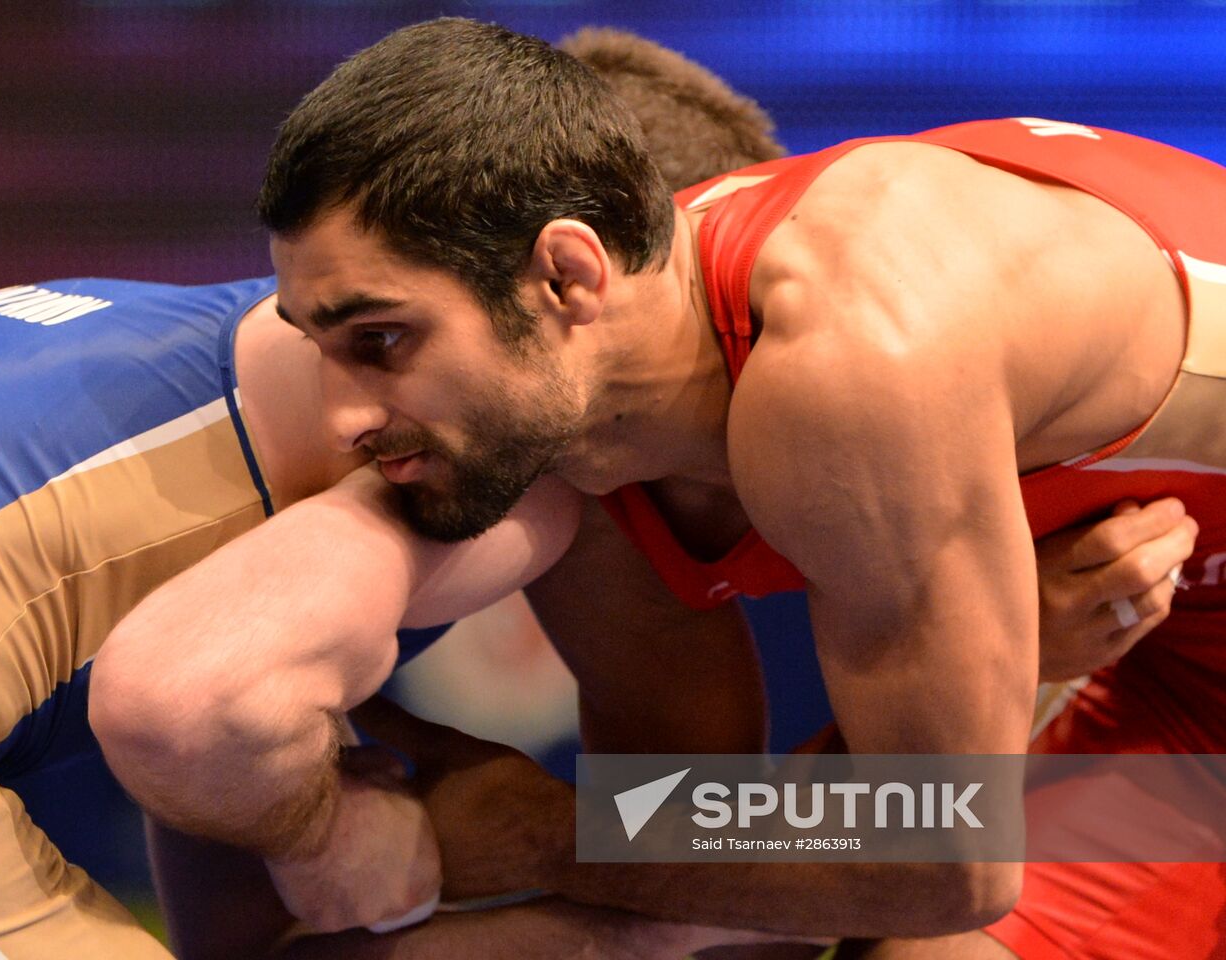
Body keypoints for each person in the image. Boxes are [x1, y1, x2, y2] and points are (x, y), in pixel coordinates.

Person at [254, 17, 1223, 960]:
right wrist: (571, 835)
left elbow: (938, 864)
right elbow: (700, 843)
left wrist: (546, 831)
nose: (342, 418)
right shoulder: (582, 440)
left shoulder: (858, 349)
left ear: (565, 274)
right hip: (1173, 689)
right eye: (322, 349)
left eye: (379, 341)